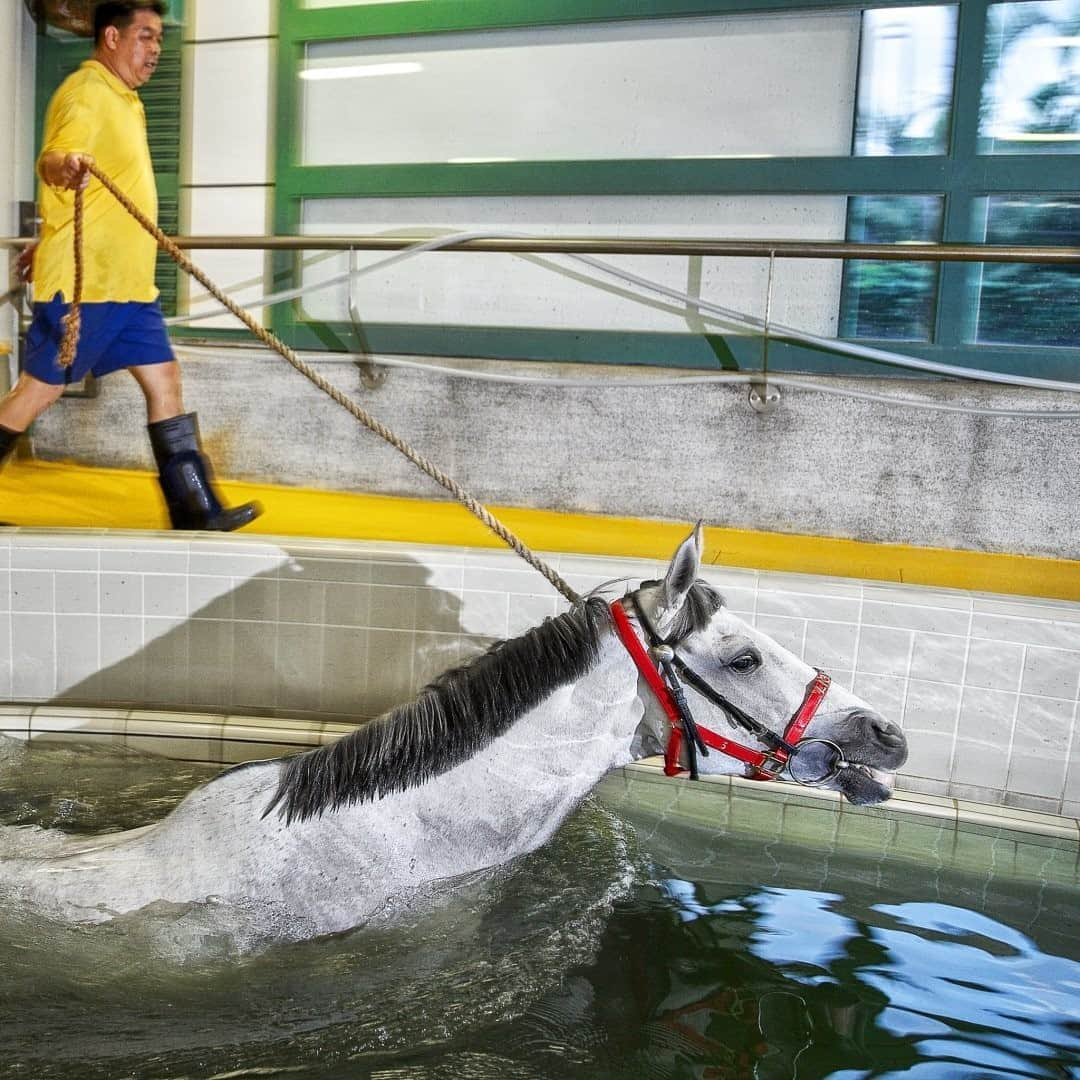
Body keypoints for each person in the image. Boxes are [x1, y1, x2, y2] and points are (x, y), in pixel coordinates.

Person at [0, 0, 260, 531]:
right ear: (112, 38)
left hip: (131, 286)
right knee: (37, 392)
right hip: (89, 287)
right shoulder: (87, 92)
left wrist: (46, 236)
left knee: (165, 379)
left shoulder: (127, 99)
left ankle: (194, 509)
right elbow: (53, 159)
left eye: (159, 39)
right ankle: (193, 507)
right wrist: (64, 167)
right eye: (145, 36)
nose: (155, 49)